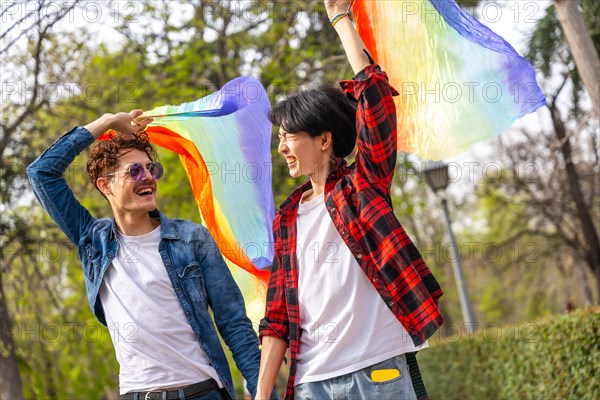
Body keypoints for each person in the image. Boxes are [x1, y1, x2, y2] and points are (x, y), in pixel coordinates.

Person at [256, 1, 444, 399]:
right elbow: (276, 319)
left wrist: (341, 20)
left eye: (288, 137)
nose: (282, 149)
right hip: (311, 385)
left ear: (324, 140)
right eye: (279, 140)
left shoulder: (363, 186)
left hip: (377, 372)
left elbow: (375, 100)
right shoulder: (286, 220)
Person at [27, 111, 277, 400]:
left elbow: (234, 325)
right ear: (105, 185)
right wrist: (106, 122)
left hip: (202, 393)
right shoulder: (94, 242)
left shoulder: (192, 239)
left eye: (151, 169)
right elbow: (41, 173)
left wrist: (265, 394)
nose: (147, 177)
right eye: (134, 171)